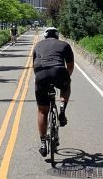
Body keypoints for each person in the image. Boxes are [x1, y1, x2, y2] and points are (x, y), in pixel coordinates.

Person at [33, 27, 74, 157]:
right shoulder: (64, 45)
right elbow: (70, 66)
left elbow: (34, 66)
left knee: (42, 111)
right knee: (66, 86)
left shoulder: (37, 45)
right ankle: (62, 110)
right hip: (59, 71)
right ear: (57, 36)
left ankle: (43, 143)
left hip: (41, 74)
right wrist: (66, 79)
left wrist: (41, 79)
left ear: (45, 36)